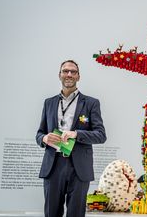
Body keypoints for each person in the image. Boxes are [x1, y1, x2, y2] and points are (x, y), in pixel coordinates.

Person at [36, 60, 106, 217]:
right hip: (53, 165)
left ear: (78, 77)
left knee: (75, 213)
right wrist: (45, 138)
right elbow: (39, 133)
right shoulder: (49, 103)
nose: (69, 74)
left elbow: (101, 135)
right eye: (65, 71)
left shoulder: (91, 103)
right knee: (51, 213)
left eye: (73, 72)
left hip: (78, 167)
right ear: (59, 75)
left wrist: (77, 134)